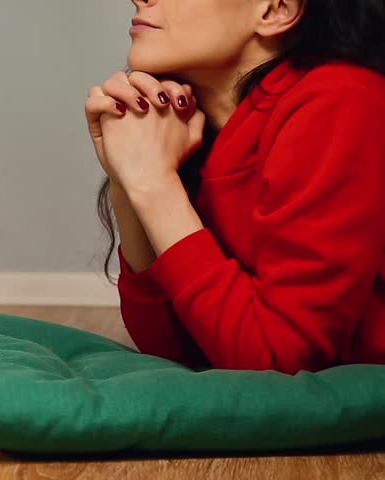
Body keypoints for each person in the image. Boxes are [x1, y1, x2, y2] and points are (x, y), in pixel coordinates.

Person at [84, 0, 385, 374]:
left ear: (275, 9)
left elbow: (278, 366)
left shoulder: (341, 98)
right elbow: (170, 350)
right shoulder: (194, 125)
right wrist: (126, 175)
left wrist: (153, 183)